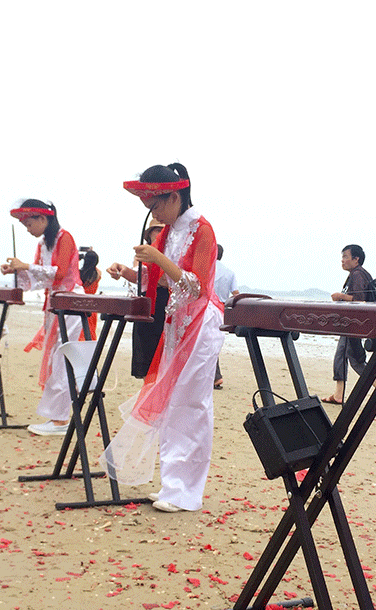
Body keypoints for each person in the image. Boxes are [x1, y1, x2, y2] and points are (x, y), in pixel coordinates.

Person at [101, 162, 224, 513]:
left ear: (174, 196)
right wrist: (128, 271)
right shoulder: (168, 232)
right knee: (172, 405)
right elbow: (161, 282)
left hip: (199, 325)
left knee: (193, 405)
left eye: (155, 206)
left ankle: (187, 491)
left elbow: (197, 285)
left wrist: (157, 257)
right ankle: (173, 484)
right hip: (176, 324)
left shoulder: (202, 229)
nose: (153, 214)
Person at [0, 199, 85, 436]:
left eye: (29, 223)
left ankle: (60, 420)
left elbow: (59, 272)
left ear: (43, 219)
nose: (27, 228)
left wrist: (26, 265)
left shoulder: (64, 237)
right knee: (54, 359)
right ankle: (57, 417)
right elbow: (39, 280)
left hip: (70, 302)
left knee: (61, 358)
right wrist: (18, 270)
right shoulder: (42, 244)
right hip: (54, 303)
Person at [326, 244, 376, 408]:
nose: (342, 260)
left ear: (356, 259)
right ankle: (338, 394)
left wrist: (340, 296)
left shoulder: (358, 275)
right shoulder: (359, 274)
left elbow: (359, 300)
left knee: (356, 360)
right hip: (352, 323)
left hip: (354, 324)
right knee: (341, 356)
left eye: (345, 257)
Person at [107, 218, 169, 378]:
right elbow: (137, 275)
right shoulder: (143, 252)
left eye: (163, 229)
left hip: (166, 300)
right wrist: (120, 269)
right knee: (146, 353)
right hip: (147, 301)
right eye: (157, 230)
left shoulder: (172, 250)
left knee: (165, 351)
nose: (160, 233)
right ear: (149, 234)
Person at [212, 244, 239, 389]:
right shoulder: (229, 272)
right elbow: (236, 294)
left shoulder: (208, 269)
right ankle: (215, 377)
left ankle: (216, 377)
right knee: (213, 342)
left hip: (207, 307)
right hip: (222, 310)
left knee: (206, 342)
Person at [79, 248, 101, 340]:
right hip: (92, 305)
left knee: (79, 331)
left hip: (79, 303)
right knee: (90, 330)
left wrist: (80, 258)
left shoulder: (78, 273)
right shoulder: (97, 274)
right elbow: (94, 266)